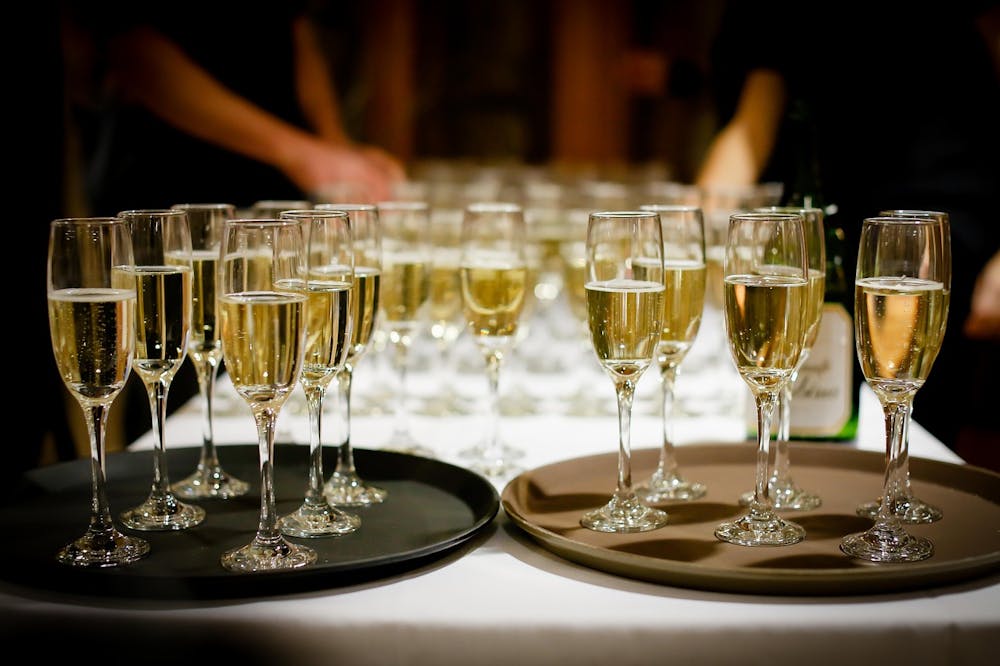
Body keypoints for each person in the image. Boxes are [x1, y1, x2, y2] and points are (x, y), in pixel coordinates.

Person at [65, 1, 407, 448]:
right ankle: (185, 484)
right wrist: (303, 152)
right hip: (168, 190)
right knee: (171, 378)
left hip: (269, 193)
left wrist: (333, 149)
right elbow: (133, 50)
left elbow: (295, 34)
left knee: (268, 366)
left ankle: (261, 482)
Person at [695, 1, 1000, 465]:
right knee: (804, 423)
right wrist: (709, 224)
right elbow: (761, 95)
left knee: (913, 415)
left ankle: (892, 516)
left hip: (932, 213)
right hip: (810, 213)